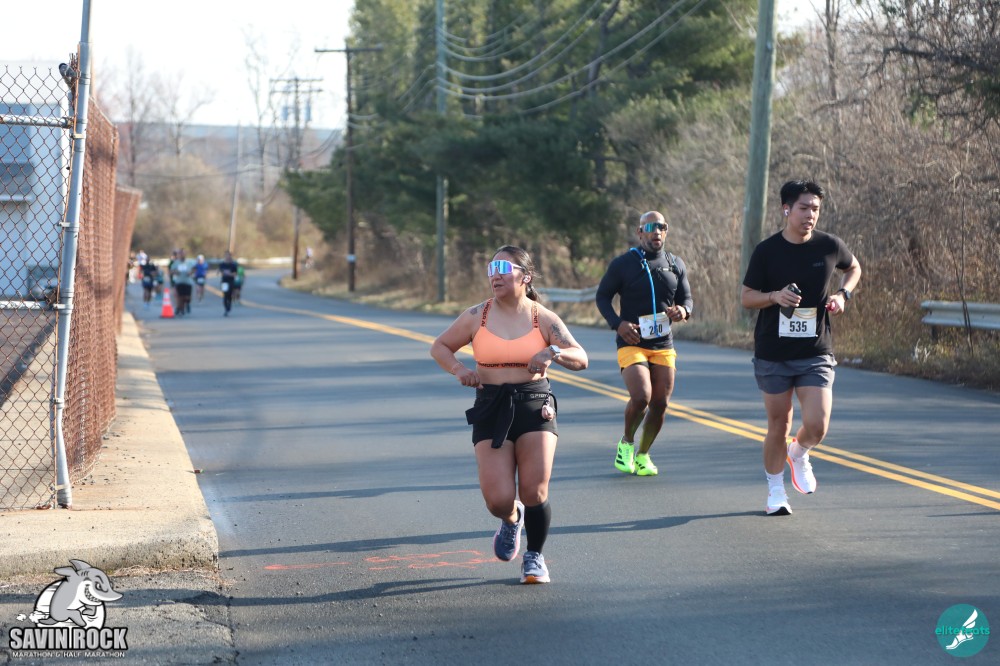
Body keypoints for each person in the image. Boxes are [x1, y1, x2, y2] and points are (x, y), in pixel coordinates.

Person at [431, 245, 588, 584]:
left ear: (525, 277)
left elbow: (581, 357)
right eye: (491, 269)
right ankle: (512, 518)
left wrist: (553, 351)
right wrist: (459, 370)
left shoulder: (543, 318)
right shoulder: (476, 315)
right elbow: (439, 346)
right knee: (498, 499)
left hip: (535, 404)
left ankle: (534, 557)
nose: (495, 275)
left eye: (503, 268)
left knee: (535, 491)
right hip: (491, 406)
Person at [740, 179, 862, 516]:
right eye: (804, 208)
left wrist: (843, 294)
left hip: (815, 351)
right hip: (773, 353)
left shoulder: (829, 245)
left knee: (818, 424)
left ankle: (799, 453)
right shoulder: (767, 251)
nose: (810, 215)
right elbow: (746, 297)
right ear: (787, 209)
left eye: (816, 209)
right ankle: (776, 490)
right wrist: (774, 296)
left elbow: (854, 267)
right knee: (778, 425)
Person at [595, 211, 694, 478]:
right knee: (642, 397)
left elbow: (687, 299)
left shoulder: (675, 263)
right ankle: (626, 443)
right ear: (640, 233)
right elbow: (602, 296)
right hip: (632, 341)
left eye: (661, 227)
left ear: (666, 231)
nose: (656, 232)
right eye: (650, 227)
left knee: (660, 403)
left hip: (663, 344)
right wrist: (618, 324)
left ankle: (643, 455)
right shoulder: (623, 264)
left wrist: (683, 311)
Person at [170, 249, 195, 316]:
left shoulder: (189, 262)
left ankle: (187, 304)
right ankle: (181, 309)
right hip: (179, 282)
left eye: (183, 254)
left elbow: (194, 269)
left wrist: (191, 272)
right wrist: (175, 272)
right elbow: (171, 271)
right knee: (180, 297)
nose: (182, 255)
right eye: (180, 254)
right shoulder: (176, 263)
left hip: (188, 282)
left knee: (187, 297)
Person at [218, 251, 239, 316]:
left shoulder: (233, 265)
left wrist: (229, 274)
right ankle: (226, 309)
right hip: (224, 281)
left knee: (229, 294)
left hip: (231, 281)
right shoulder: (222, 264)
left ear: (230, 256)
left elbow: (235, 274)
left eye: (229, 255)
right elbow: (220, 271)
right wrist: (221, 272)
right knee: (225, 295)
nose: (227, 257)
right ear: (225, 256)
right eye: (226, 255)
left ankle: (229, 305)